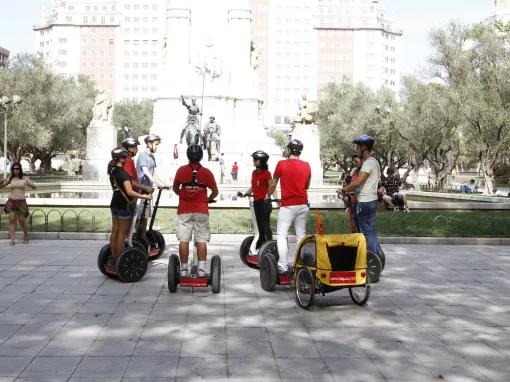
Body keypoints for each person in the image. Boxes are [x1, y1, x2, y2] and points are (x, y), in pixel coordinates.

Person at [173, 144, 218, 277]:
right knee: (201, 240)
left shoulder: (181, 171)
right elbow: (215, 191)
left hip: (184, 210)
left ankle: (183, 269)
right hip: (201, 210)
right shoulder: (206, 172)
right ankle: (202, 269)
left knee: (184, 240)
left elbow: (175, 188)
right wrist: (208, 199)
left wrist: (183, 194)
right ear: (201, 156)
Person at [267, 139, 311, 274]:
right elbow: (306, 186)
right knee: (300, 236)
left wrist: (267, 196)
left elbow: (273, 185)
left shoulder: (281, 164)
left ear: (290, 150)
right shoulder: (307, 165)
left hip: (288, 206)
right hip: (303, 204)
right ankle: (299, 265)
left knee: (281, 235)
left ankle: (282, 265)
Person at [106, 147, 152, 274]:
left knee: (115, 231)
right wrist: (145, 196)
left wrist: (144, 187)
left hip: (114, 203)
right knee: (122, 233)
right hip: (123, 205)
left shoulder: (114, 170)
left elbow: (129, 182)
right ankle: (120, 259)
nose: (127, 159)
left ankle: (114, 258)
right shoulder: (122, 173)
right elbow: (130, 190)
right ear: (122, 158)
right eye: (125, 157)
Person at [340, 135, 381, 259]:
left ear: (364, 147)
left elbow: (358, 182)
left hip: (365, 202)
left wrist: (344, 189)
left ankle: (372, 259)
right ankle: (376, 257)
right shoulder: (375, 162)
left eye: (358, 148)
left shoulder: (368, 163)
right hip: (371, 200)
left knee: (367, 232)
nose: (357, 150)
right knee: (370, 230)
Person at [239, 150, 277, 249]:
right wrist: (245, 194)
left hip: (264, 203)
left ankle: (270, 246)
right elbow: (253, 187)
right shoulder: (254, 173)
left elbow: (272, 187)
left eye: (256, 159)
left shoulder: (267, 173)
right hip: (256, 203)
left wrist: (273, 199)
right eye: (254, 159)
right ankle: (261, 246)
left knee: (265, 226)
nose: (254, 161)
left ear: (262, 161)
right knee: (259, 227)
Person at [0, 163, 36, 245]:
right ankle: (12, 240)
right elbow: (1, 187)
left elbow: (34, 187)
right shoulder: (11, 178)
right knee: (12, 220)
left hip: (21, 202)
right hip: (11, 201)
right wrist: (1, 183)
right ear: (12, 170)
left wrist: (30, 183)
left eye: (17, 169)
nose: (15, 170)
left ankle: (26, 235)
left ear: (20, 170)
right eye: (14, 169)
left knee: (22, 221)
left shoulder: (25, 178)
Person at [136, 134, 162, 233]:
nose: (157, 147)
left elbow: (154, 173)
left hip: (148, 190)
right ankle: (136, 236)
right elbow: (145, 171)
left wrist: (162, 183)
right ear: (149, 144)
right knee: (139, 216)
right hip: (141, 190)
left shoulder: (152, 157)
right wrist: (155, 182)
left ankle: (143, 237)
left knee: (145, 215)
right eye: (156, 144)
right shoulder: (143, 156)